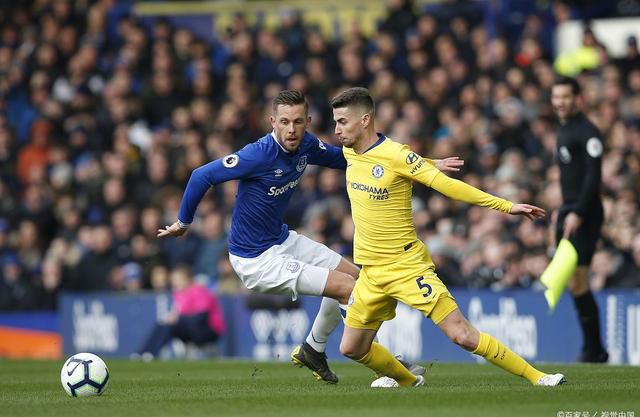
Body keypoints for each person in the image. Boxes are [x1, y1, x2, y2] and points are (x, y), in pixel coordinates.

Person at [158, 90, 459, 383]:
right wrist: (184, 222)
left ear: (308, 120)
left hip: (282, 240)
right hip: (254, 259)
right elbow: (201, 175)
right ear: (272, 122)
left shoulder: (307, 146)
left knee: (356, 277)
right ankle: (385, 367)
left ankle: (313, 349)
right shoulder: (257, 154)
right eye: (285, 122)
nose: (292, 129)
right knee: (346, 288)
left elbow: (358, 158)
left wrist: (424, 165)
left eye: (298, 121)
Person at [330, 87, 565, 387]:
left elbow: (449, 187)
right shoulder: (351, 153)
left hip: (406, 267)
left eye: (342, 122)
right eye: (335, 122)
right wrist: (428, 160)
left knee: (462, 336)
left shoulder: (396, 155)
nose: (337, 130)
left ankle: (539, 377)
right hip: (371, 273)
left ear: (364, 120)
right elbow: (391, 160)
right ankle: (408, 381)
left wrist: (505, 205)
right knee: (351, 348)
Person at [547, 76, 608, 363]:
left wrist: (578, 212)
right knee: (574, 282)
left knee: (579, 280)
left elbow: (593, 178)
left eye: (565, 97)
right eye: (556, 97)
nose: (560, 102)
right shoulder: (564, 131)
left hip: (584, 213)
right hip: (568, 210)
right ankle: (594, 348)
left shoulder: (588, 132)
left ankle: (593, 350)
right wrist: (561, 212)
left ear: (578, 99)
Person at [138, 265, 225, 358]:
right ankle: (145, 352)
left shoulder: (199, 291)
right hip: (191, 329)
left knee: (170, 325)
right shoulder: (179, 294)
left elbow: (201, 317)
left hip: (209, 330)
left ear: (187, 279)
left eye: (177, 279)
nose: (174, 282)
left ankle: (150, 353)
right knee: (163, 325)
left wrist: (178, 319)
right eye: (173, 279)